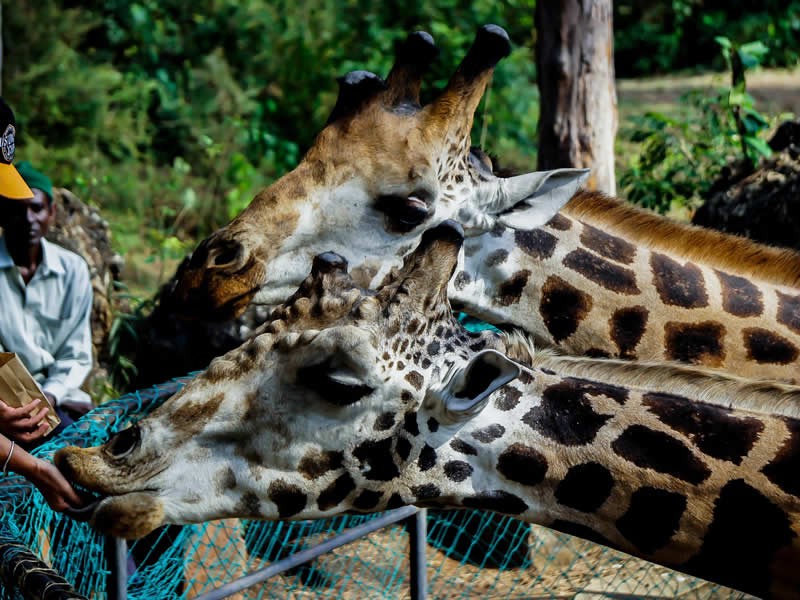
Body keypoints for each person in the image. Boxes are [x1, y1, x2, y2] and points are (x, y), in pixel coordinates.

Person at [0, 96, 84, 511]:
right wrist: (32, 467)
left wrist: (47, 398)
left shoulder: (72, 270)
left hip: (48, 408)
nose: (23, 219)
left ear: (51, 214)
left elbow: (76, 355)